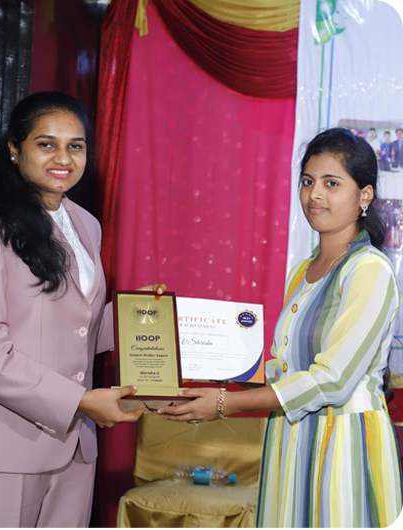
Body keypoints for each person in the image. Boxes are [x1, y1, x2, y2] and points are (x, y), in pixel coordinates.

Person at [0, 91, 164, 528]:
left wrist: (137, 314)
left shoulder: (86, 224)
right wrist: (79, 401)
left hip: (74, 450)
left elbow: (77, 328)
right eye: (46, 144)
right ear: (14, 148)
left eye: (76, 145)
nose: (63, 158)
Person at [159, 128, 403, 528]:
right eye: (307, 181)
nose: (314, 194)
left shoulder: (369, 270)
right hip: (290, 439)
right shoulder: (303, 272)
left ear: (364, 195)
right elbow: (284, 367)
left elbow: (333, 380)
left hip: (342, 445)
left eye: (331, 183)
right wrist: (219, 366)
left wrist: (225, 403)